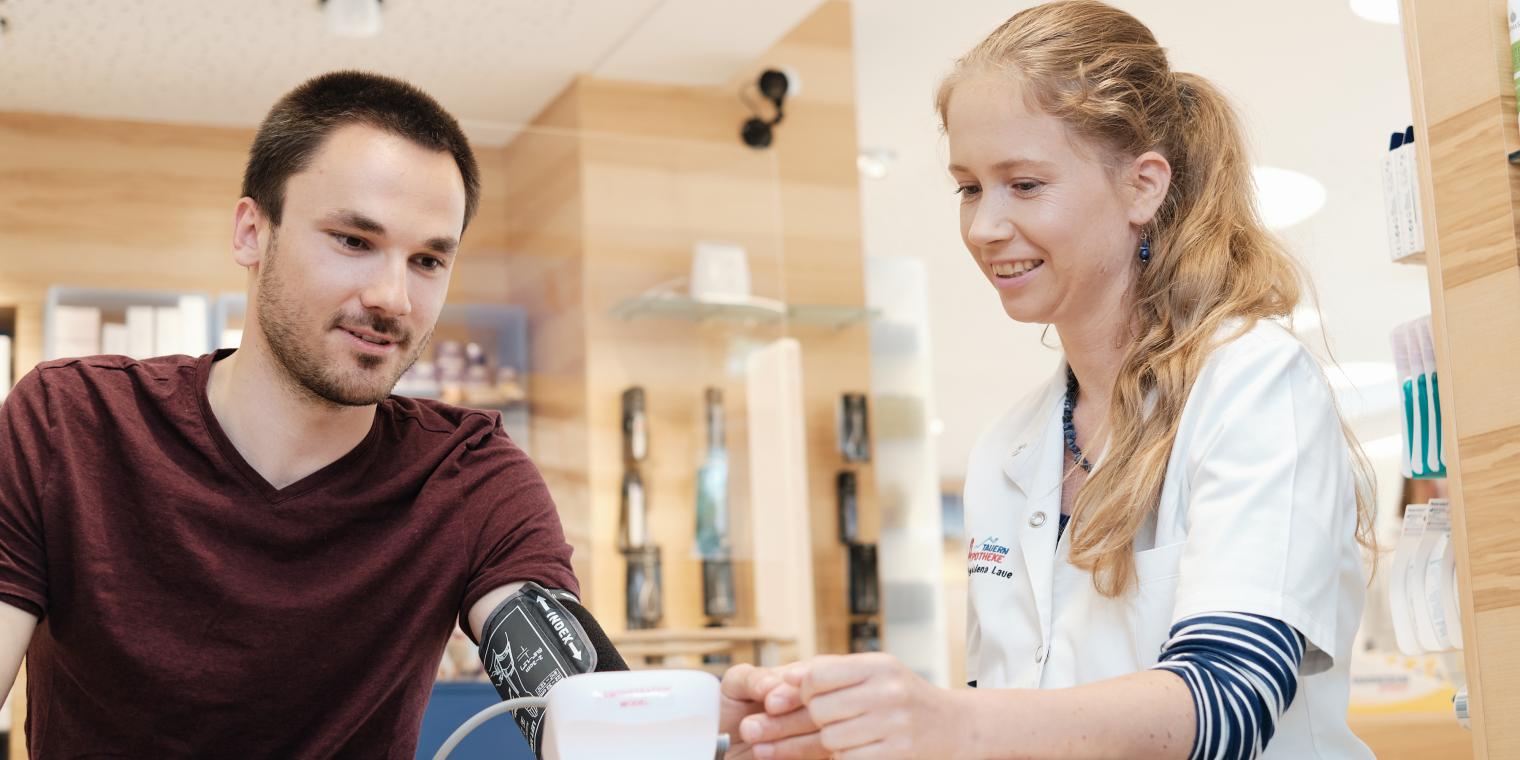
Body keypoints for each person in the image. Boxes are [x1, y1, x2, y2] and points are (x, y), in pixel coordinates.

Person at [0, 70, 801, 758]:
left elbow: (554, 667)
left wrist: (660, 732)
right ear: (252, 232)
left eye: (427, 259)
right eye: (353, 240)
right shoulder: (71, 423)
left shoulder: (466, 473)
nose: (392, 297)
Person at [735, 2, 1377, 759]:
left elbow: (1229, 700)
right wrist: (850, 731)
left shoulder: (1252, 381)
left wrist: (950, 724)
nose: (983, 228)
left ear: (1143, 186)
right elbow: (1008, 707)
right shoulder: (1011, 447)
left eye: (1024, 185)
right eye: (969, 188)